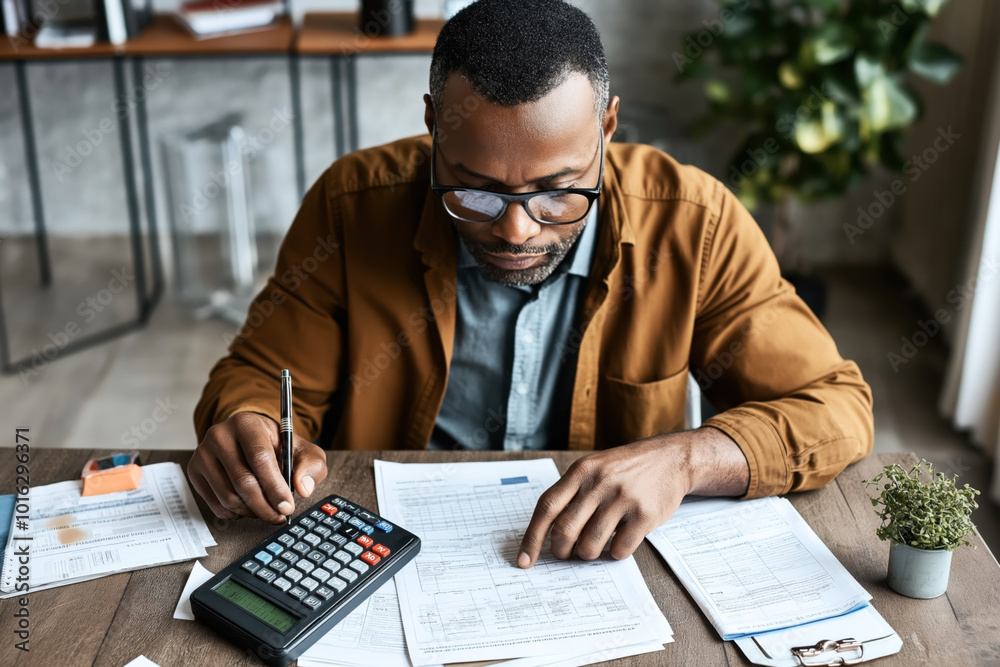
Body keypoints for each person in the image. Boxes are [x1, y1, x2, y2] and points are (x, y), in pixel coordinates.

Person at [190, 0, 873, 569]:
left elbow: (834, 406)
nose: (517, 231)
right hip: (382, 549)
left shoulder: (693, 223)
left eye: (557, 192)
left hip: (597, 564)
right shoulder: (353, 205)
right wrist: (247, 426)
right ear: (433, 126)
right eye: (476, 193)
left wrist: (687, 459)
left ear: (606, 128)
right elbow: (258, 375)